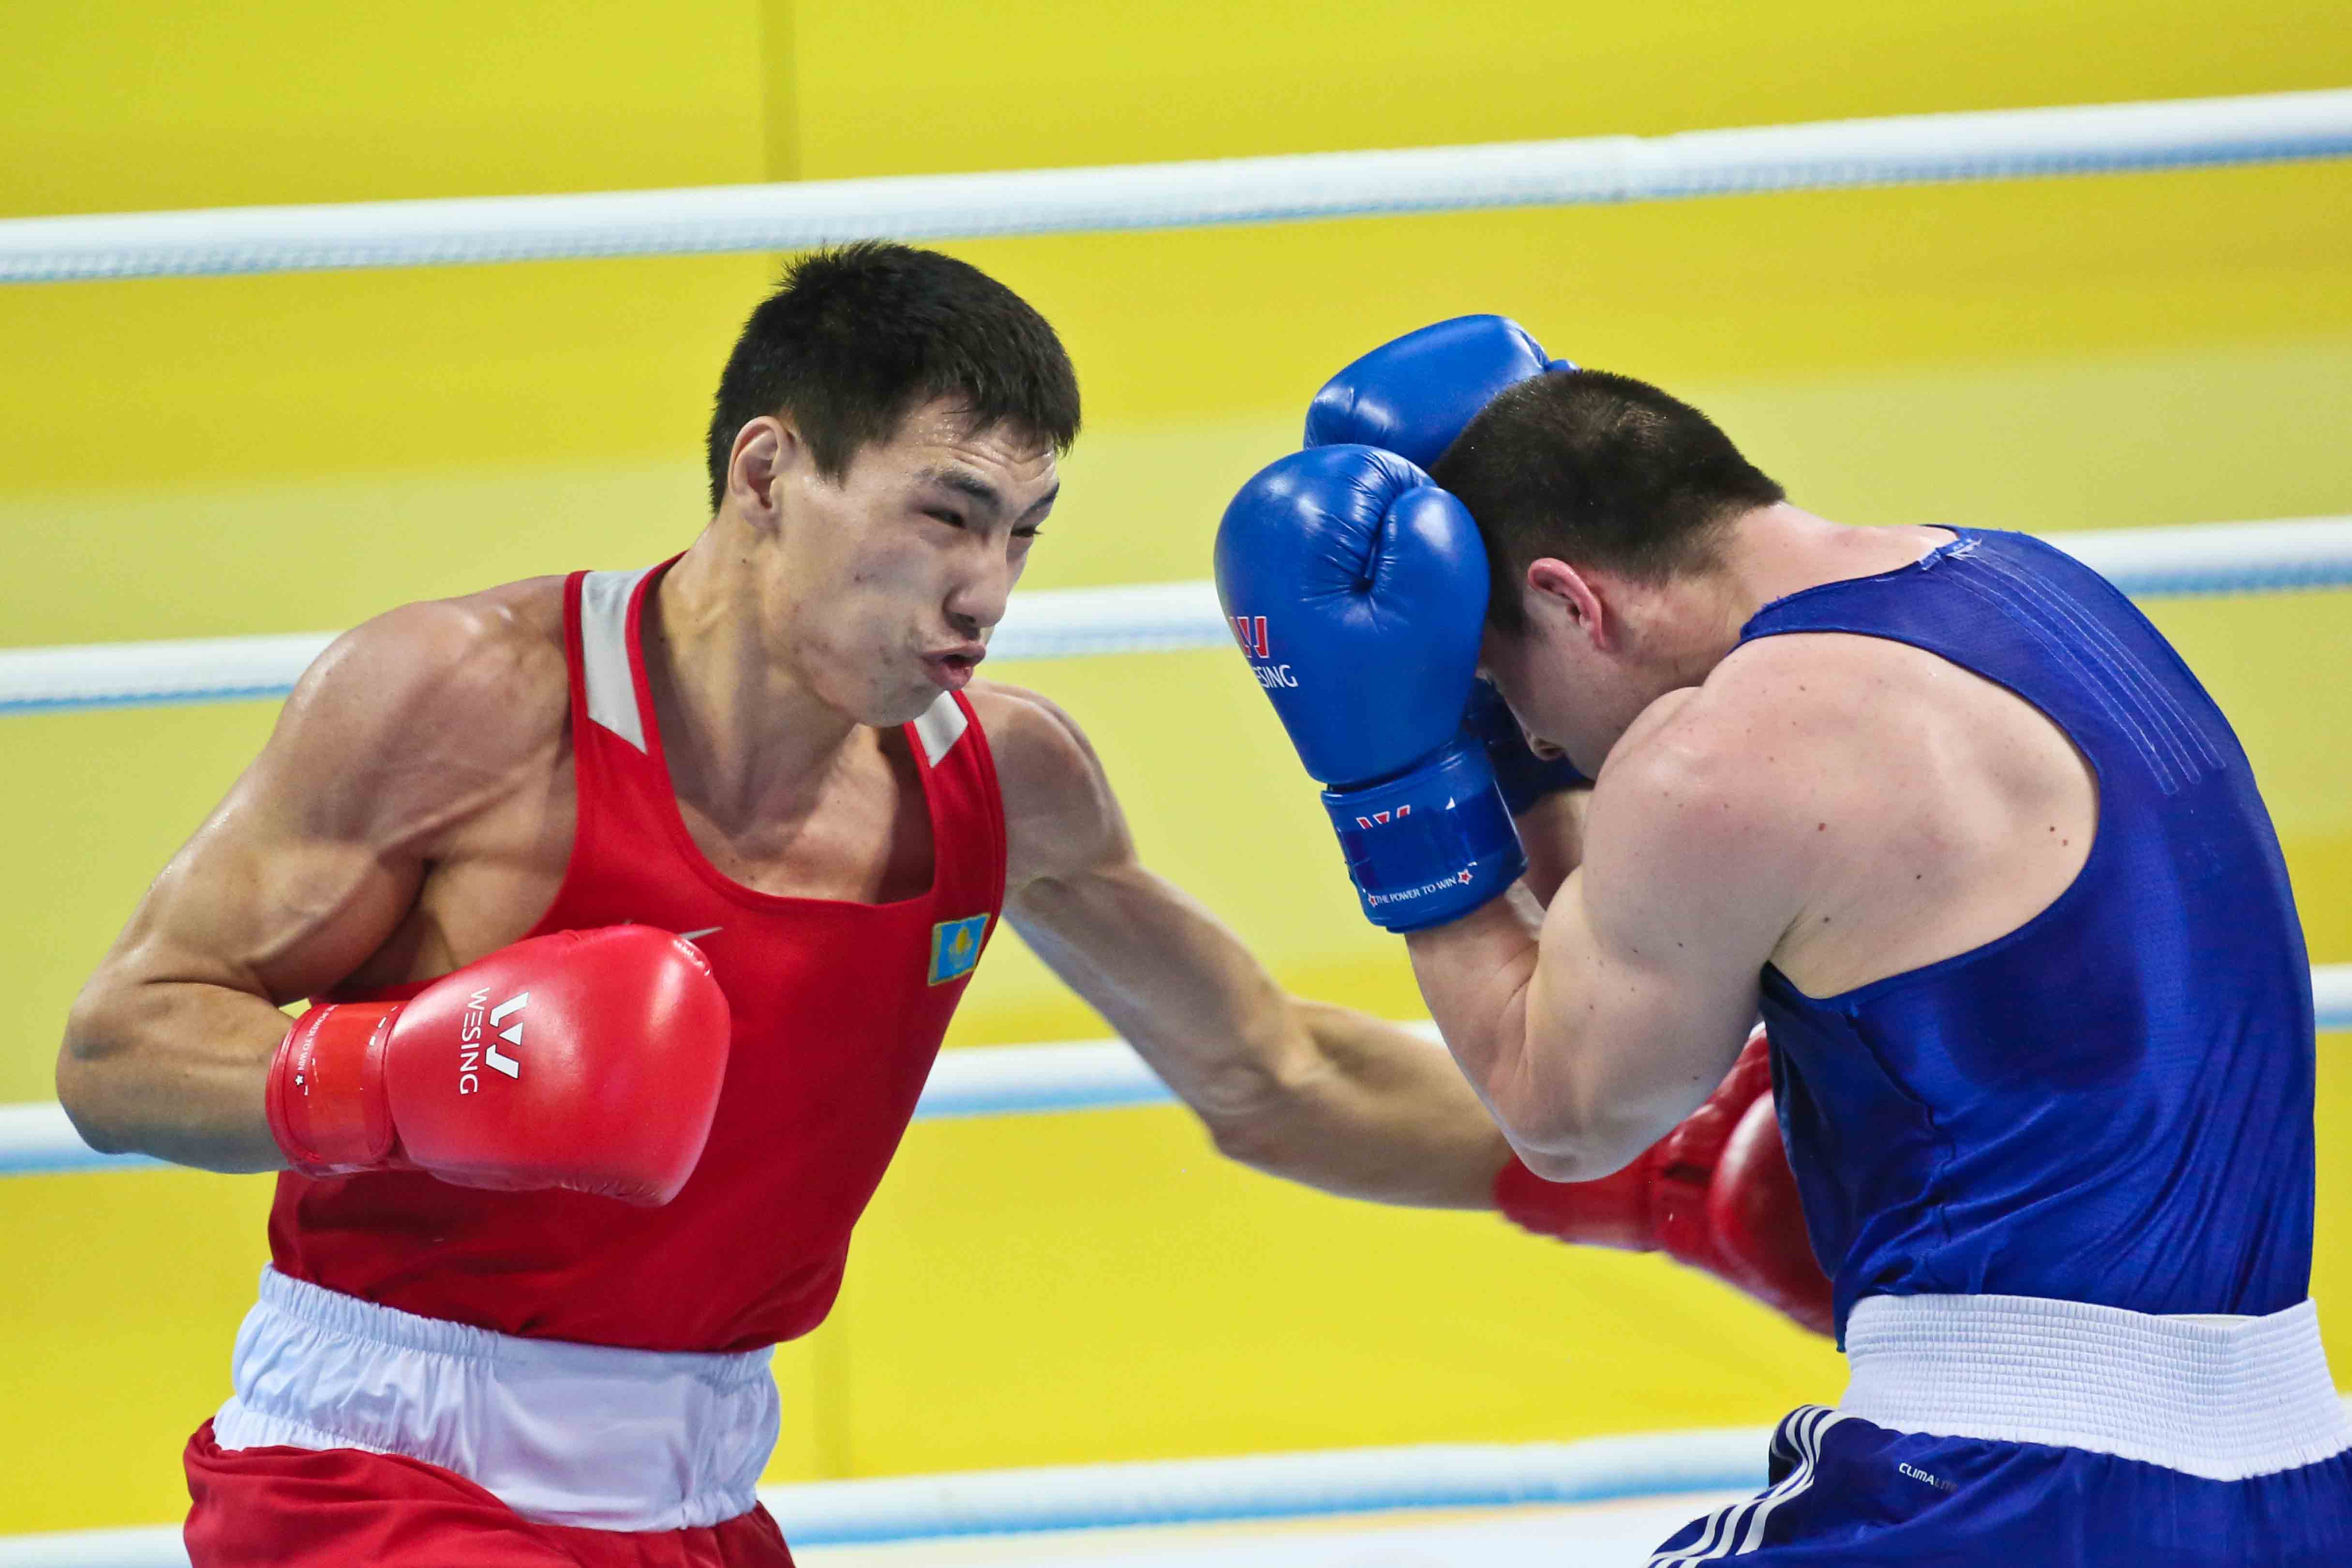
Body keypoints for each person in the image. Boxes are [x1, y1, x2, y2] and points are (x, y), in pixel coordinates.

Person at [58, 252, 1821, 1568]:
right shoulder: (464, 700)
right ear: (768, 475)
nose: (985, 589)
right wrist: (388, 1078)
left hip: (691, 1496)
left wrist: (1660, 1181)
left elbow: (1275, 1071)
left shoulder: (1002, 782)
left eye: (1027, 532)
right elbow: (117, 1048)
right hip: (379, 1472)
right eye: (945, 514)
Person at [1217, 314, 2352, 1564]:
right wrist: (1499, 716)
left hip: (2003, 1490)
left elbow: (1561, 1105)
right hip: (2291, 1472)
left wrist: (1395, 776)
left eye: (1508, 685)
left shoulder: (1725, 752)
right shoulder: (2026, 587)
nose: (1531, 740)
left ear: (1569, 598)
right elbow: (1635, 932)